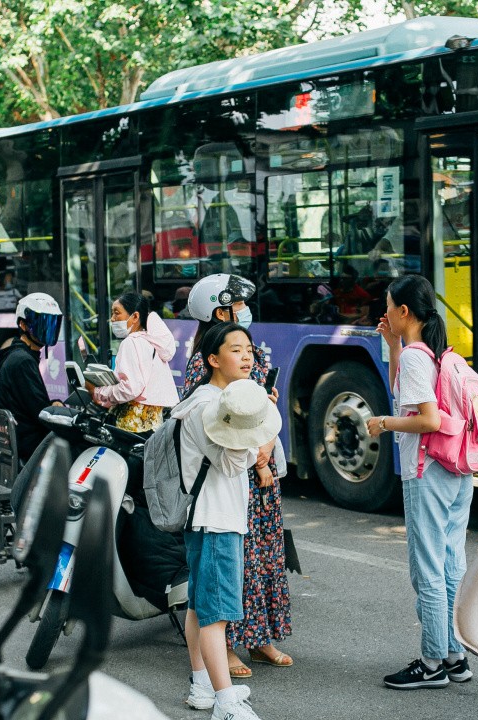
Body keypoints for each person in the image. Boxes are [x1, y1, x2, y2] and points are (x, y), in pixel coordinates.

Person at [366, 274, 475, 690]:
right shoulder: (432, 352)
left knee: (427, 571)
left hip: (425, 469)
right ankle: (454, 655)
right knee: (450, 565)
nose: (386, 312)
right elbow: (405, 391)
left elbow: (425, 418)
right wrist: (393, 346)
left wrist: (382, 424)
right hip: (455, 468)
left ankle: (431, 664)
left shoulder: (416, 357)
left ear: (404, 311)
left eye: (389, 305)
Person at [184, 274, 294, 679]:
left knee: (266, 557)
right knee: (235, 567)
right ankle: (225, 646)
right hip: (237, 477)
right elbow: (217, 430)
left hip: (260, 473)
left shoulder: (250, 354)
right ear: (218, 311)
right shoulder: (205, 362)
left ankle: (261, 636)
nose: (245, 354)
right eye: (236, 305)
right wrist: (260, 460)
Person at [171, 322, 281, 720]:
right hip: (215, 519)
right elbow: (234, 462)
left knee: (200, 608)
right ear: (213, 359)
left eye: (249, 348)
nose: (247, 355)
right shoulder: (207, 406)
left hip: (211, 517)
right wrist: (259, 431)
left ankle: (202, 686)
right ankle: (225, 701)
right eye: (236, 349)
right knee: (216, 614)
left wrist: (255, 416)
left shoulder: (215, 399)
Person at [89, 292, 178, 434]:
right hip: (152, 425)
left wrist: (98, 392)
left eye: (117, 313)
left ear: (135, 316)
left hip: (131, 424)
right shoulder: (151, 342)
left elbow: (130, 388)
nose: (112, 319)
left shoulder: (131, 342)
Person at [0, 293, 63, 465]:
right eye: (41, 324)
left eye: (51, 324)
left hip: (20, 438)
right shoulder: (23, 362)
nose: (47, 330)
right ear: (23, 324)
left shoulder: (18, 356)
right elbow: (41, 413)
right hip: (30, 443)